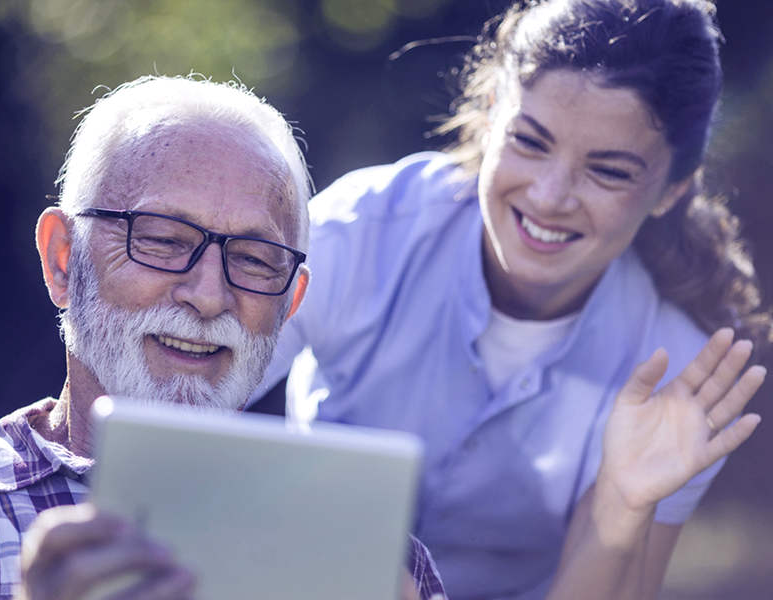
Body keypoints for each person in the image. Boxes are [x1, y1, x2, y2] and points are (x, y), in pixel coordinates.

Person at [252, 0, 772, 598]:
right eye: (530, 141)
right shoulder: (361, 231)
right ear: (494, 114)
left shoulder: (681, 373)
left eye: (608, 172)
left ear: (671, 190)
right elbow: (186, 405)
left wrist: (621, 505)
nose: (550, 196)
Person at [0, 75, 447, 600]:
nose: (208, 295)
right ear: (63, 260)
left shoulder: (371, 559)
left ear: (290, 302)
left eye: (252, 259)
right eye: (162, 239)